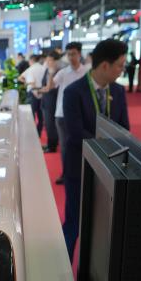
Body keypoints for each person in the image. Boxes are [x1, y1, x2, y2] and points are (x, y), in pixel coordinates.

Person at [60, 38, 130, 257]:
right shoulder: (73, 91)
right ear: (105, 65)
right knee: (74, 222)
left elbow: (124, 129)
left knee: (104, 226)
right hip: (80, 166)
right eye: (120, 65)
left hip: (111, 169)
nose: (122, 70)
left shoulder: (118, 91)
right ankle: (63, 267)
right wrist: (108, 149)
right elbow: (75, 132)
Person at [47, 41, 89, 183]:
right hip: (62, 115)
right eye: (69, 54)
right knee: (65, 146)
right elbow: (51, 86)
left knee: (82, 145)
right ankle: (66, 174)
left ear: (79, 54)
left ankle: (81, 175)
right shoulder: (63, 72)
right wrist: (51, 71)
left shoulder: (86, 72)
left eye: (74, 54)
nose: (71, 57)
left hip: (82, 116)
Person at [18, 54, 47, 137]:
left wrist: (26, 82)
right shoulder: (44, 68)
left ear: (31, 60)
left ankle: (32, 134)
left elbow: (20, 78)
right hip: (42, 91)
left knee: (31, 115)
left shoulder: (30, 69)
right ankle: (38, 133)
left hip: (32, 92)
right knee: (41, 115)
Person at [39, 51, 61, 153]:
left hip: (52, 102)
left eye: (50, 60)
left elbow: (50, 87)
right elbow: (44, 84)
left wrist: (42, 89)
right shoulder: (47, 70)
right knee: (48, 125)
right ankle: (49, 144)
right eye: (47, 60)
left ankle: (52, 146)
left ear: (56, 61)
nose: (47, 62)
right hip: (45, 100)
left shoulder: (58, 72)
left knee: (51, 124)